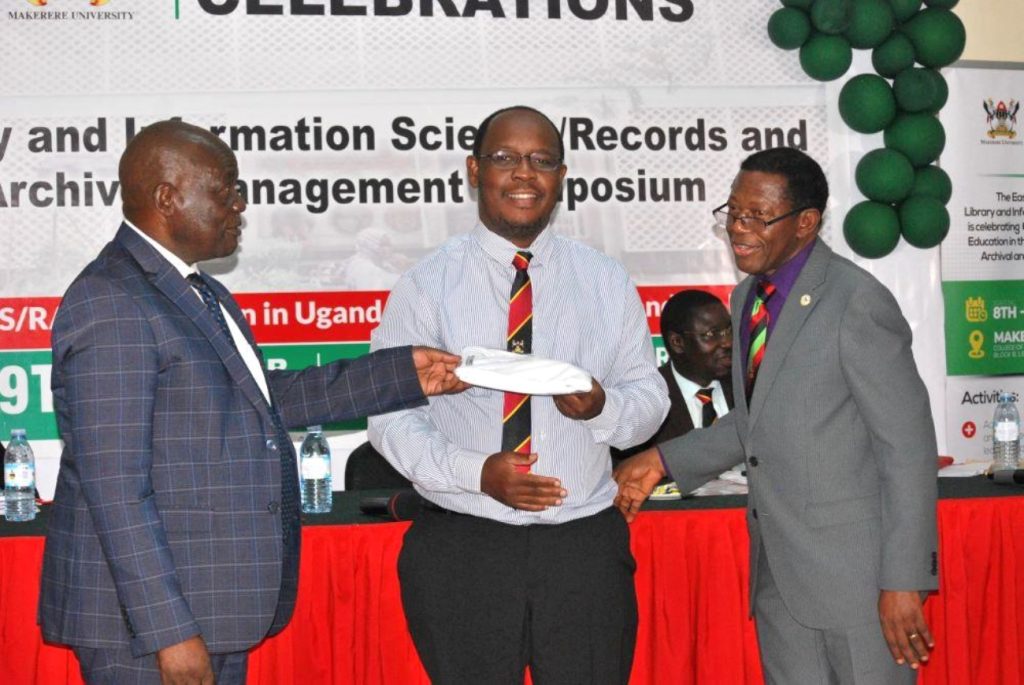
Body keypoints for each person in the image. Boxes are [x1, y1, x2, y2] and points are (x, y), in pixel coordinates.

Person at [38, 120, 465, 685]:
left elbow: (264, 398)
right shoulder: (112, 300)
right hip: (145, 632)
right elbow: (114, 486)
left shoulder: (198, 291)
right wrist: (169, 631)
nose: (240, 204)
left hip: (204, 610)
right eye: (225, 189)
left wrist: (401, 375)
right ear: (168, 197)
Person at [368, 105, 669, 684]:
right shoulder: (427, 284)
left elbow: (649, 399)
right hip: (464, 547)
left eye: (541, 160)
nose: (524, 174)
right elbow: (389, 413)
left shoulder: (606, 281)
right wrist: (477, 471)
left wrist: (605, 407)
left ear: (560, 176)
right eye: (505, 158)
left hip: (582, 550)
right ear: (474, 169)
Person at [614, 147, 938, 685]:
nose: (738, 229)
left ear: (806, 223)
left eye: (756, 216)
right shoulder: (746, 300)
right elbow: (755, 420)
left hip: (859, 586)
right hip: (778, 579)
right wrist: (662, 460)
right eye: (732, 213)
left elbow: (907, 449)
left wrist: (904, 580)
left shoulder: (856, 301)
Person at [611, 289, 733, 464]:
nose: (727, 342)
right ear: (677, 343)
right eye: (710, 334)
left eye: (728, 330)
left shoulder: (749, 388)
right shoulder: (643, 400)